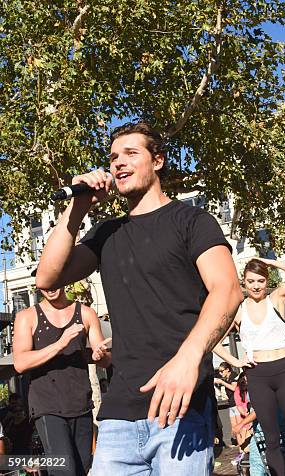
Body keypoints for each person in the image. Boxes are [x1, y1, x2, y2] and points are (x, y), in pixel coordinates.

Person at [35, 122, 244, 475]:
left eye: (131, 153)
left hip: (180, 405)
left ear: (157, 160)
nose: (118, 163)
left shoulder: (191, 220)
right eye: (113, 157)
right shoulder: (107, 233)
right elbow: (47, 277)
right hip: (119, 414)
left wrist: (188, 358)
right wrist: (77, 210)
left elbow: (227, 289)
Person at [225, 258, 285, 476]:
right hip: (258, 377)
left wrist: (267, 261)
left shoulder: (276, 299)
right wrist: (235, 361)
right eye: (250, 281)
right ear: (244, 282)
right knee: (272, 440)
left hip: (284, 373)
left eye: (261, 280)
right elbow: (214, 340)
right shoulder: (238, 311)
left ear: (267, 281)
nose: (256, 285)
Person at [12, 286, 111, 476]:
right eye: (44, 284)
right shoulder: (27, 316)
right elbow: (20, 363)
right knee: (64, 470)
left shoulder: (86, 313)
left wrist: (101, 355)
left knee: (82, 469)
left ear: (65, 279)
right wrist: (60, 344)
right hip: (47, 406)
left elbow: (105, 359)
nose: (50, 288)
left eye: (55, 281)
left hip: (81, 404)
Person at [214, 362, 240, 445]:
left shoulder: (233, 375)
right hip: (231, 404)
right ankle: (241, 449)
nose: (220, 373)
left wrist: (222, 383)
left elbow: (233, 388)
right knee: (234, 427)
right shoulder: (227, 379)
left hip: (237, 404)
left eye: (222, 371)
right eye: (219, 371)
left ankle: (244, 449)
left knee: (239, 427)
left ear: (227, 370)